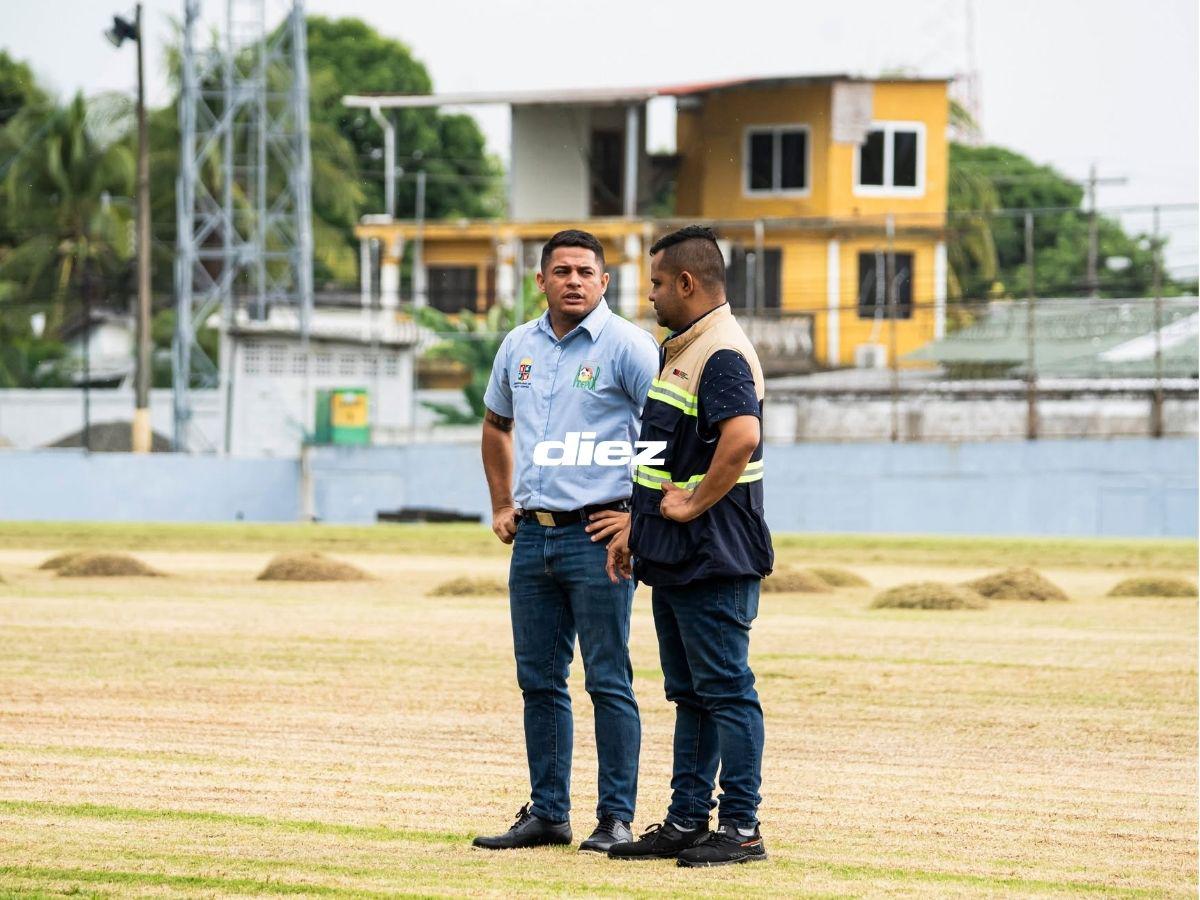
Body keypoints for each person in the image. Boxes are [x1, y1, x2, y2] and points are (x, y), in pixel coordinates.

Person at [472, 229, 660, 853]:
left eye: (585, 271)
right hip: (534, 538)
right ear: (541, 280)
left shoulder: (628, 346)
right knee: (539, 680)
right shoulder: (517, 346)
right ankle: (549, 814)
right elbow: (496, 424)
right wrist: (502, 502)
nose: (573, 281)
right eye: (561, 271)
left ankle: (616, 819)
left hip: (599, 537)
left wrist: (638, 518)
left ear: (605, 281)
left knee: (608, 680)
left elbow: (667, 434)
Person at [605, 225, 774, 867]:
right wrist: (639, 528)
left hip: (714, 556)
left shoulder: (721, 352)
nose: (649, 294)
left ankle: (741, 828)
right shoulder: (683, 350)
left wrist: (693, 502)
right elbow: (661, 459)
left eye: (655, 283)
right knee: (692, 695)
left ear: (686, 282)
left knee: (727, 692)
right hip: (676, 556)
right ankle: (685, 821)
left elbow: (741, 438)